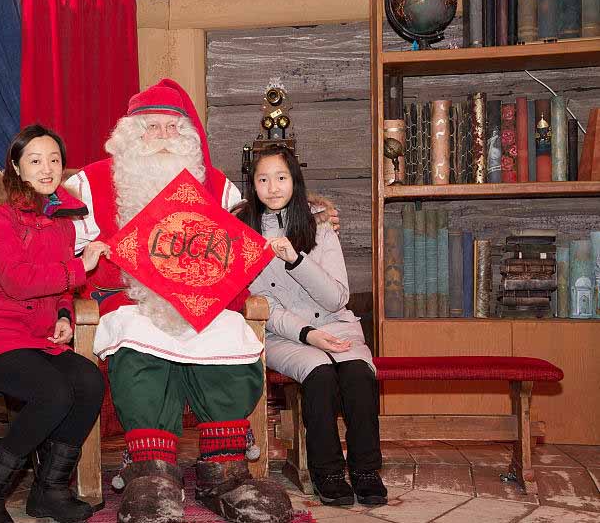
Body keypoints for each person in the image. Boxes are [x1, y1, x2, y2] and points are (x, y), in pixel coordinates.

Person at [64, 79, 339, 523]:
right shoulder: (88, 184)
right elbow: (62, 253)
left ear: (189, 137)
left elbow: (259, 227)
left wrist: (314, 210)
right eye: (152, 128)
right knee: (140, 338)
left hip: (205, 301)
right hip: (131, 301)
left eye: (174, 128)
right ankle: (151, 470)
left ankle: (225, 469)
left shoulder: (218, 186)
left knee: (230, 335)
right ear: (131, 135)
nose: (163, 138)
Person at [0, 124, 110, 523]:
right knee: (54, 393)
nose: (47, 169)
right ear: (16, 167)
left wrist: (63, 314)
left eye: (55, 160)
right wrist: (81, 266)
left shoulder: (62, 220)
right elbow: (19, 281)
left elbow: (58, 286)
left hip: (36, 336)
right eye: (35, 160)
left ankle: (49, 492)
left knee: (90, 382)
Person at [241, 146, 387, 507]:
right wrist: (307, 334)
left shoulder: (320, 226)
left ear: (294, 181)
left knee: (358, 373)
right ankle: (328, 473)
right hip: (283, 334)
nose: (272, 188)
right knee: (319, 374)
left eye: (280, 178)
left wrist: (295, 259)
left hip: (336, 324)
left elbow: (338, 297)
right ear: (253, 184)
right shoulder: (243, 231)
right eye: (263, 179)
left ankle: (366, 470)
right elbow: (262, 306)